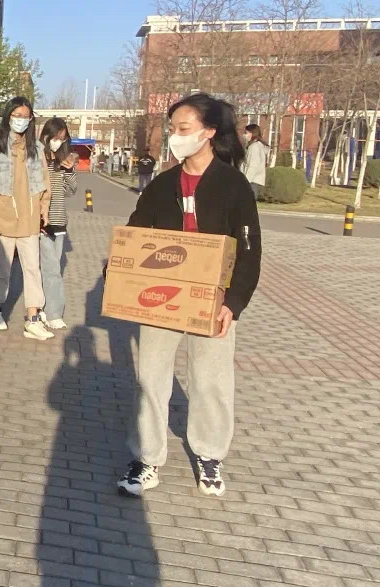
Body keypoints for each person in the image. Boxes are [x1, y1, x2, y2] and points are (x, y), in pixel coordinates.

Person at [117, 93, 261, 498]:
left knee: (211, 380)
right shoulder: (162, 184)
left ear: (208, 132)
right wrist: (120, 273)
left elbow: (249, 248)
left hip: (212, 297)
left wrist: (233, 303)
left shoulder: (233, 185)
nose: (175, 136)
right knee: (150, 379)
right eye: (173, 129)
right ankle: (146, 457)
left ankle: (210, 454)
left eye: (183, 129)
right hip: (160, 296)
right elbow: (136, 232)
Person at [0, 96, 53, 340]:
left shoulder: (37, 149)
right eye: (17, 115)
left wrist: (44, 208)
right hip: (3, 219)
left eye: (25, 117)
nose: (21, 120)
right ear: (8, 116)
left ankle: (33, 317)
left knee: (33, 270)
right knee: (0, 269)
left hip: (30, 220)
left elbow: (45, 182)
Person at [39, 117, 77, 332]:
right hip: (41, 222)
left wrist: (69, 171)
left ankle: (45, 308)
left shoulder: (64, 161)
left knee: (52, 269)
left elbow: (71, 191)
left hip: (59, 221)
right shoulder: (37, 159)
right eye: (55, 137)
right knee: (51, 269)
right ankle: (52, 312)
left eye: (62, 138)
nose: (57, 142)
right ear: (46, 136)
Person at [241, 124, 269, 199]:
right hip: (252, 181)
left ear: (252, 134)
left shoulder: (254, 147)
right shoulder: (255, 146)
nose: (244, 135)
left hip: (250, 181)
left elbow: (253, 166)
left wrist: (245, 181)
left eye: (246, 133)